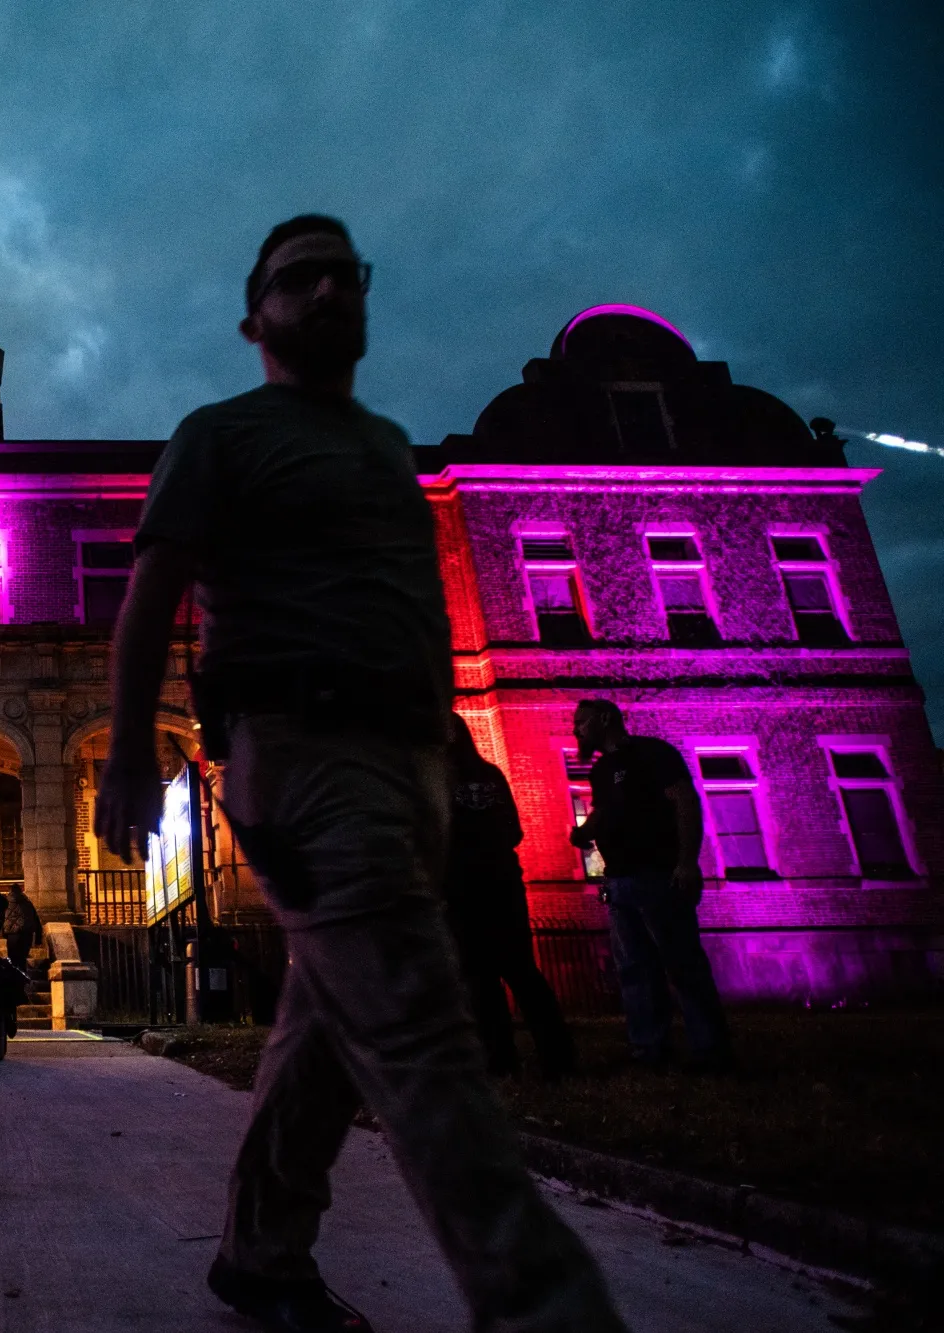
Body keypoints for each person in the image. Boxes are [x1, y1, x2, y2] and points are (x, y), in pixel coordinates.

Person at [94, 214, 625, 1333]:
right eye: (300, 278)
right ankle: (544, 1304)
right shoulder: (219, 435)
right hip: (299, 751)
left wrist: (447, 751)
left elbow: (417, 611)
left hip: (411, 759)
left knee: (328, 1024)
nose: (329, 290)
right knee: (423, 1023)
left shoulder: (389, 450)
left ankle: (260, 1251)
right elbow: (148, 597)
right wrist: (131, 751)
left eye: (346, 273)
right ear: (256, 317)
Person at [570, 699, 733, 1072]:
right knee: (634, 968)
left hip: (658, 876)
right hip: (619, 880)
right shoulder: (601, 770)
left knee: (682, 965)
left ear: (604, 719)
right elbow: (606, 811)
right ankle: (650, 1052)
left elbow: (684, 802)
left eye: (581, 722)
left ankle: (710, 1053)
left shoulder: (652, 753)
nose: (576, 730)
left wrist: (687, 861)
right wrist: (585, 832)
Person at [443, 714, 577, 1079]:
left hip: (462, 887)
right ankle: (557, 1056)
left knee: (480, 975)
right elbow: (515, 830)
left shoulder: (439, 780)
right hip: (503, 882)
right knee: (520, 969)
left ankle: (500, 1057)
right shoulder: (492, 775)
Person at [1, 884, 41, 969]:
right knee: (22, 959)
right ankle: (23, 978)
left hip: (11, 935)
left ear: (10, 891)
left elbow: (1, 919)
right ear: (21, 891)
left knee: (12, 960)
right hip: (26, 934)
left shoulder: (5, 903)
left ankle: (14, 979)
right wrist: (38, 939)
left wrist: (4, 933)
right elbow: (36, 920)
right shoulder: (27, 903)